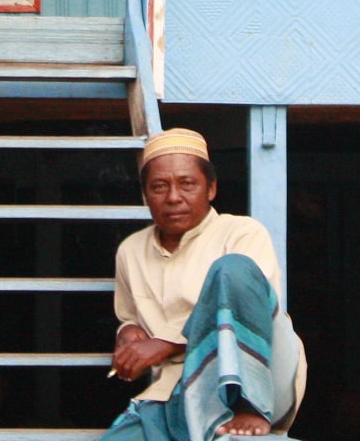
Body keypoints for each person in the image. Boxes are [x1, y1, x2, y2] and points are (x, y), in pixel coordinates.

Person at [105, 129, 304, 441]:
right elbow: (128, 315)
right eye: (159, 187)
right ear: (145, 195)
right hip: (172, 391)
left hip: (242, 381)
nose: (173, 197)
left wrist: (164, 344)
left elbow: (248, 306)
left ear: (211, 188)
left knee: (232, 268)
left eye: (187, 184)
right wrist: (128, 334)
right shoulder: (131, 250)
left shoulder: (241, 232)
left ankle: (249, 406)